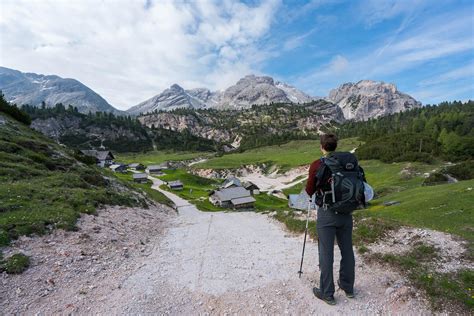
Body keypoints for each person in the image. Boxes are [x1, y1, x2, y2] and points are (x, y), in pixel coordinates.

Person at [306, 133, 361, 305]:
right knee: (347, 250)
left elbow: (309, 190)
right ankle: (348, 287)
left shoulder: (318, 164)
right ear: (335, 146)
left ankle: (327, 293)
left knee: (326, 252)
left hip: (327, 214)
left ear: (322, 146)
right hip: (346, 214)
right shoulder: (348, 163)